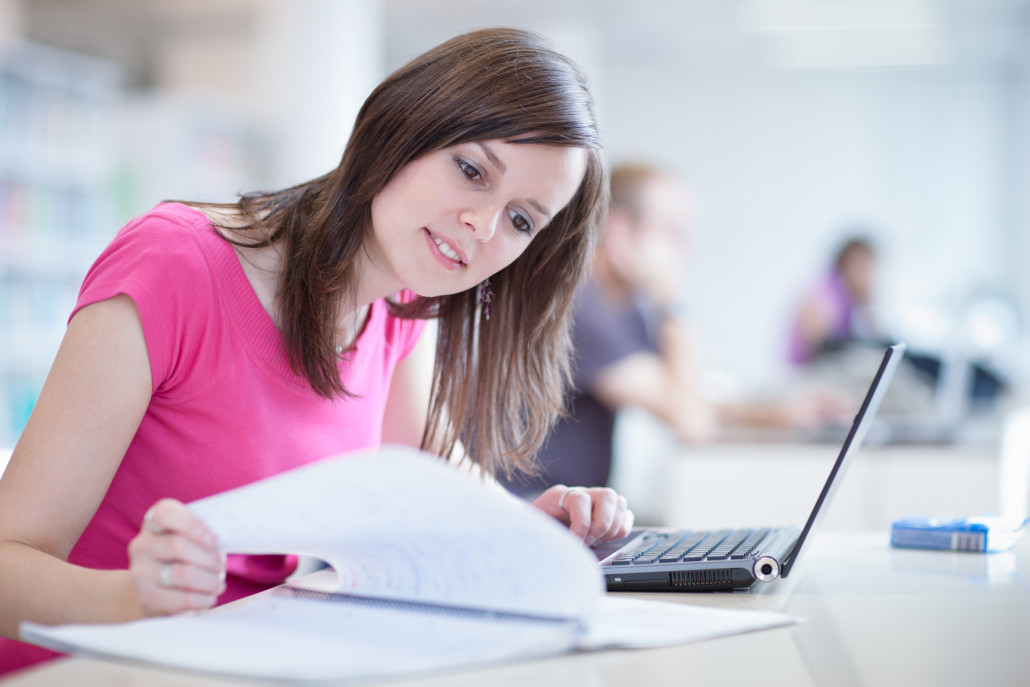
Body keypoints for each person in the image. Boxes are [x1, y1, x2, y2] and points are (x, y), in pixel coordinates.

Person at [0, 28, 634, 674]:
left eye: (522, 220)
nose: (483, 225)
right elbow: (7, 561)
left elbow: (440, 485)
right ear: (400, 127)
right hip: (79, 666)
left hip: (236, 661)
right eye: (471, 170)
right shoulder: (175, 263)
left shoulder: (399, 309)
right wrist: (132, 596)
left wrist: (542, 524)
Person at [501, 164, 847, 498]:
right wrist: (676, 299)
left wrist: (779, 414)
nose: (688, 251)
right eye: (673, 233)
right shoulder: (578, 306)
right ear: (619, 231)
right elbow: (692, 422)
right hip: (526, 506)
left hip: (562, 504)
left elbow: (681, 396)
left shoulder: (624, 307)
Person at [788, 235, 878, 366]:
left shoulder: (848, 298)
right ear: (846, 266)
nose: (869, 277)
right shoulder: (828, 293)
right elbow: (818, 339)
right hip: (807, 373)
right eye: (863, 269)